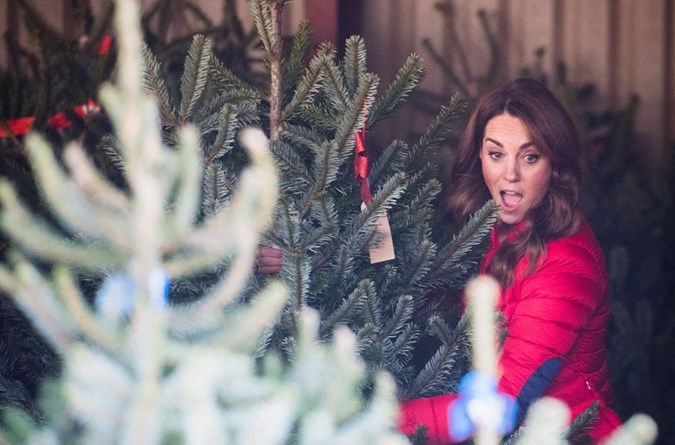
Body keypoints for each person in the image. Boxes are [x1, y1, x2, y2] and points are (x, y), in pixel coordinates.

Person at [397, 78, 621, 444]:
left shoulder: (565, 263)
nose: (510, 175)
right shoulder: (491, 227)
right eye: (496, 154)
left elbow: (502, 404)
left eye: (530, 157)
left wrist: (378, 420)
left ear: (555, 165)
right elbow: (441, 304)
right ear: (479, 157)